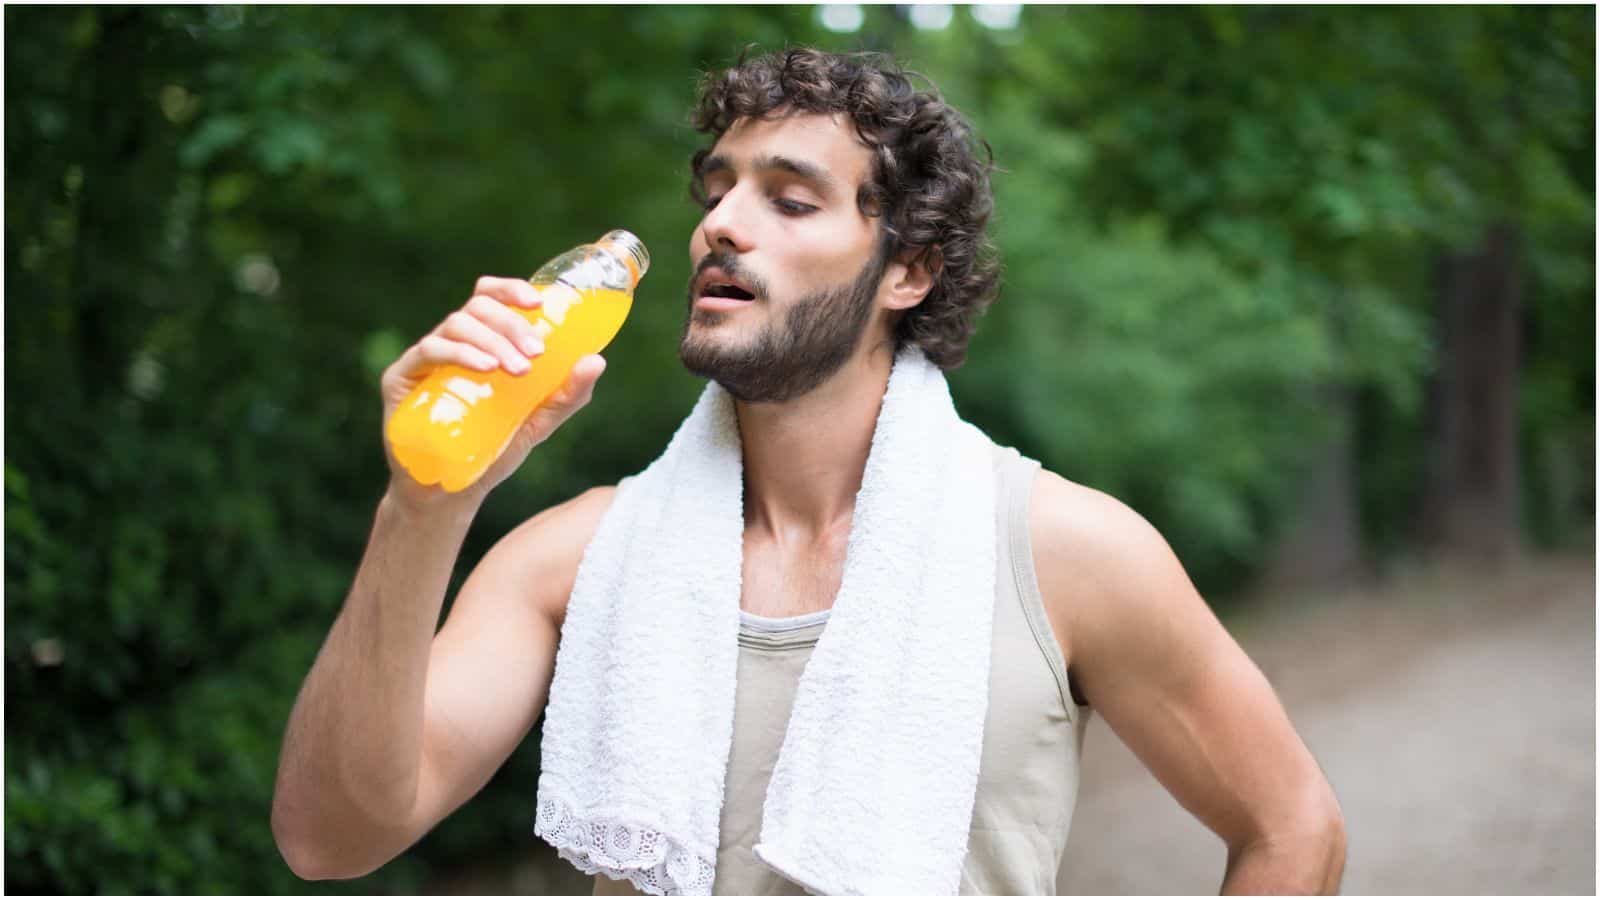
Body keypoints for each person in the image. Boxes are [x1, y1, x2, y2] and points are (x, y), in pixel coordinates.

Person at [270, 47, 1347, 895]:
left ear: (907, 271)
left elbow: (1293, 828)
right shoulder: (573, 558)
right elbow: (330, 837)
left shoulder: (1064, 551)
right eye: (717, 191)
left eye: (789, 201)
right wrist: (422, 505)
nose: (719, 226)